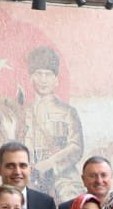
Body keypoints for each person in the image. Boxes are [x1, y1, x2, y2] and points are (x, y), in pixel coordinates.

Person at [21, 45, 85, 198]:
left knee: (70, 202)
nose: (43, 80)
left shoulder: (68, 112)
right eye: (38, 74)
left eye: (48, 74)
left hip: (62, 176)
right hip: (30, 176)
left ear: (56, 79)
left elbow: (76, 147)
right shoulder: (23, 113)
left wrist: (49, 164)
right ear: (31, 78)